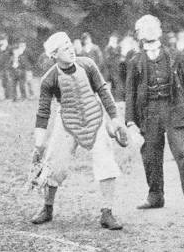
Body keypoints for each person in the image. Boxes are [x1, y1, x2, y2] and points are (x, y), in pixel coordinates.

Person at [30, 31, 126, 230]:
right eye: (64, 48)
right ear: (54, 55)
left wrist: (115, 119)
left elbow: (103, 90)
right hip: (67, 120)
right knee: (54, 165)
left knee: (105, 160)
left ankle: (107, 212)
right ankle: (47, 208)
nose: (70, 49)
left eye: (69, 45)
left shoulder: (88, 64)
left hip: (94, 116)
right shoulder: (49, 79)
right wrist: (39, 143)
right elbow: (43, 112)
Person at [125, 15, 184, 218]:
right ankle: (155, 196)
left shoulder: (174, 55)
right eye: (145, 27)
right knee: (150, 156)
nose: (150, 30)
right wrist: (130, 121)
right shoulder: (134, 61)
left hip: (175, 109)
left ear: (160, 31)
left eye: (154, 26)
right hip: (148, 112)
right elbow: (131, 93)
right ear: (139, 34)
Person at [103, 32, 124, 102]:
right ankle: (111, 99)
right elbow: (106, 59)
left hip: (117, 68)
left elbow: (121, 57)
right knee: (110, 84)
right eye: (112, 39)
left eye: (114, 39)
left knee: (118, 83)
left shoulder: (119, 47)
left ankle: (118, 98)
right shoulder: (108, 48)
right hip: (109, 69)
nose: (113, 40)